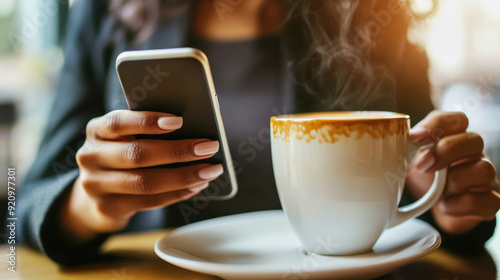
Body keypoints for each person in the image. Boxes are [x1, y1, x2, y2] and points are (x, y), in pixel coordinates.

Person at [19, 0, 500, 265]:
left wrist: (450, 202)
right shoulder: (107, 10)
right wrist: (87, 204)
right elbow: (24, 201)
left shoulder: (374, 14)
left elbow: (427, 167)